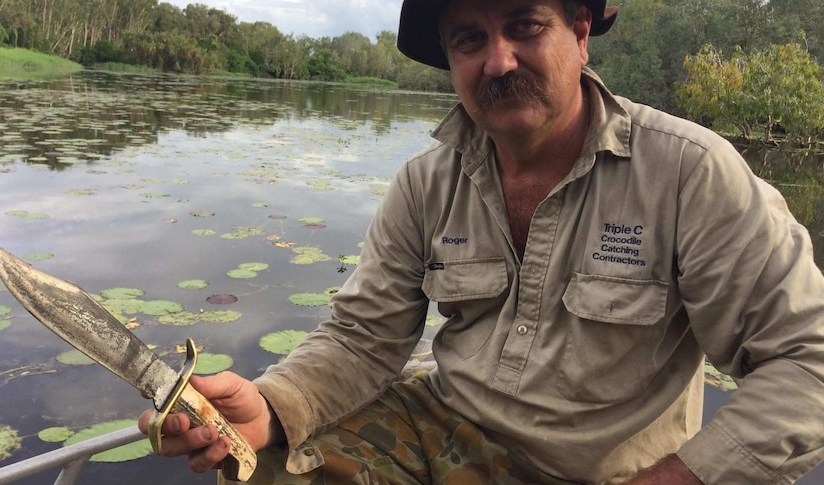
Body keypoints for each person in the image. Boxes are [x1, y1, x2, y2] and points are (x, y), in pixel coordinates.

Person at [139, 0, 824, 483]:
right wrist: (272, 404)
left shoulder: (688, 172)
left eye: (524, 25)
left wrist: (677, 480)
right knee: (269, 474)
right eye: (469, 39)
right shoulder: (424, 182)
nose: (498, 61)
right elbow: (362, 338)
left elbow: (809, 365)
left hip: (617, 470)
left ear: (581, 33)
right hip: (444, 432)